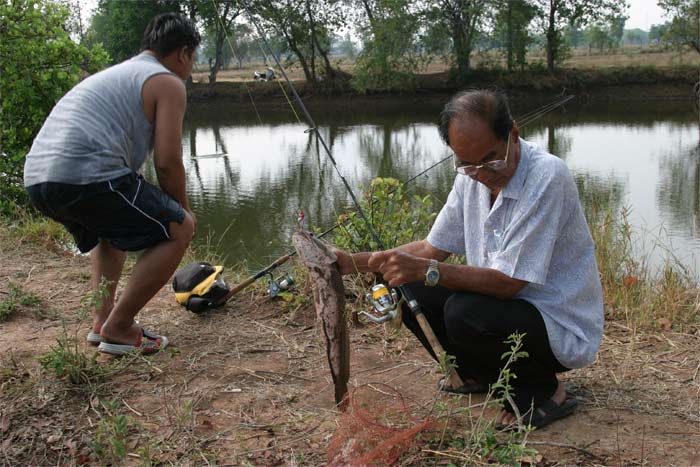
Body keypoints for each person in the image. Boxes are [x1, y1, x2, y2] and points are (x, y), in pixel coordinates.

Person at [334, 90, 604, 429]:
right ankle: (475, 373)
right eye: (468, 164)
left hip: (554, 321)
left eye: (492, 160)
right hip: (507, 310)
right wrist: (354, 262)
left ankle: (546, 392)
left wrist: (429, 270)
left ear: (513, 135)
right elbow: (433, 249)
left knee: (464, 311)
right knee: (408, 283)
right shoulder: (471, 176)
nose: (482, 173)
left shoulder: (547, 177)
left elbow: (509, 284)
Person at [23, 13, 201, 356]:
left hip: (39, 179)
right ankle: (120, 327)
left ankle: (101, 321)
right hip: (86, 175)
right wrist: (183, 215)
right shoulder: (167, 82)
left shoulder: (119, 73)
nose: (189, 68)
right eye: (191, 59)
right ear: (182, 53)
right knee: (179, 227)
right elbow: (167, 162)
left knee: (112, 232)